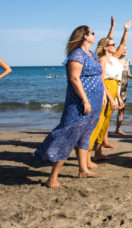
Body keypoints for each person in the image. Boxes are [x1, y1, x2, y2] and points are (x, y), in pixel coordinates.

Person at [34, 25, 104, 189]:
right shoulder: (77, 54)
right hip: (80, 101)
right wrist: (85, 100)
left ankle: (83, 170)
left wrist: (103, 97)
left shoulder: (92, 54)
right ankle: (52, 177)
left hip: (95, 100)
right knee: (69, 135)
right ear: (85, 36)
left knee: (85, 135)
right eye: (92, 33)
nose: (94, 35)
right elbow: (74, 78)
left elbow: (98, 76)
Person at [88, 18, 131, 163]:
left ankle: (98, 153)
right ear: (106, 47)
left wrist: (126, 30)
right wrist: (110, 98)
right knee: (98, 123)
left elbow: (123, 43)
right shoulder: (102, 60)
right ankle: (87, 155)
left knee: (106, 123)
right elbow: (101, 80)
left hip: (114, 89)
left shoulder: (115, 58)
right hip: (105, 92)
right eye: (112, 44)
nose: (115, 45)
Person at [115, 46, 132, 135]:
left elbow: (127, 73)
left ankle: (118, 128)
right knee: (111, 108)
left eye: (126, 49)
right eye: (123, 49)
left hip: (124, 86)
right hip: (116, 85)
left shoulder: (127, 61)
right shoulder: (115, 60)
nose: (125, 50)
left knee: (122, 107)